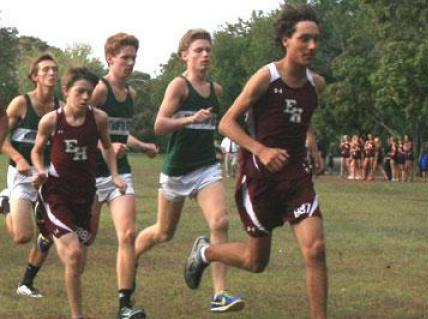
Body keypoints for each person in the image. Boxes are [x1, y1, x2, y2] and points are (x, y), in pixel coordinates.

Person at [184, 5, 327, 319]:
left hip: (297, 179)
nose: (312, 46)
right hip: (259, 180)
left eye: (316, 39)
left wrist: (313, 149)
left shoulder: (316, 84)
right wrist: (260, 150)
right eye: (305, 39)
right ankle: (205, 252)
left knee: (315, 249)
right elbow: (227, 123)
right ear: (286, 40)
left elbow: (302, 119)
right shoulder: (266, 77)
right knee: (255, 261)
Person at [134, 28, 244, 313]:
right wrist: (189, 119)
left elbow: (211, 127)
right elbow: (159, 125)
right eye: (198, 50)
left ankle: (219, 294)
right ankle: (129, 256)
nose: (205, 54)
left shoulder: (216, 90)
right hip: (176, 171)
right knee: (163, 232)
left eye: (208, 50)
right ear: (185, 55)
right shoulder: (179, 86)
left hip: (206, 168)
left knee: (220, 222)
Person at [31, 66, 126, 319]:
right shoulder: (51, 120)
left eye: (90, 92)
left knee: (79, 263)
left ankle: (52, 235)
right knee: (73, 255)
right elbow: (36, 150)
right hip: (56, 193)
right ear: (66, 91)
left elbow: (107, 147)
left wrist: (115, 174)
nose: (86, 97)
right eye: (80, 92)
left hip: (86, 195)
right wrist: (39, 171)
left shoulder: (99, 119)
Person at [89, 33, 156, 319]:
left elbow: (118, 132)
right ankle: (47, 234)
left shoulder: (131, 95)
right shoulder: (99, 90)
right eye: (124, 58)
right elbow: (78, 129)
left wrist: (140, 144)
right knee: (86, 238)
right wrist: (106, 146)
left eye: (133, 58)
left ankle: (124, 306)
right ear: (109, 58)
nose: (130, 63)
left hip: (121, 173)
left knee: (127, 235)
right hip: (90, 173)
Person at [0, 54, 61, 297]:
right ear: (35, 76)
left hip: (47, 175)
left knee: (50, 232)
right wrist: (19, 158)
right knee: (23, 236)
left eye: (54, 69)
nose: (51, 73)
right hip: (21, 173)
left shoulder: (60, 107)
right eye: (45, 69)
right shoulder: (20, 103)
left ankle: (26, 283)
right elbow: (2, 138)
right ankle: (5, 203)